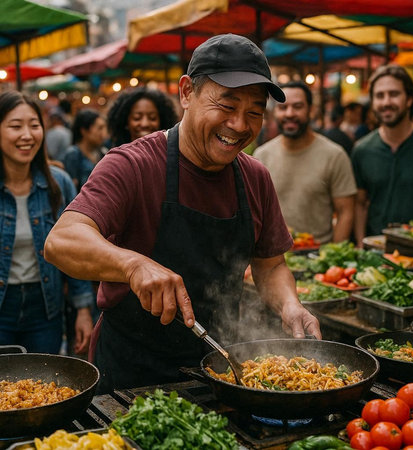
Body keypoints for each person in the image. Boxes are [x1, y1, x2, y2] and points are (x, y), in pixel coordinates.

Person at [44, 33, 321, 393]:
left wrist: (290, 305)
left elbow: (270, 265)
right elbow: (61, 240)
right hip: (130, 374)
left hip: (221, 368)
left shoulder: (255, 177)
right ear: (187, 92)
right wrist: (133, 265)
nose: (239, 125)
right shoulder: (132, 164)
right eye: (226, 105)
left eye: (254, 112)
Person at [0, 90, 94, 354]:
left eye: (34, 125)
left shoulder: (59, 183)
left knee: (46, 389)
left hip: (45, 309)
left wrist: (83, 310)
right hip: (2, 309)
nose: (27, 135)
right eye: (15, 126)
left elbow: (77, 249)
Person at [352, 64, 413, 246]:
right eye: (379, 96)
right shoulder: (362, 149)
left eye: (394, 94)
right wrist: (360, 246)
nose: (386, 102)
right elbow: (360, 204)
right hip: (378, 254)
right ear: (372, 102)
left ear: (410, 99)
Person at [253, 81, 356, 244]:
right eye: (283, 107)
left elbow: (346, 211)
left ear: (311, 110)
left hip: (318, 255)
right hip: (271, 257)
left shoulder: (334, 155)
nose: (289, 113)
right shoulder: (261, 156)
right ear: (275, 113)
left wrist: (332, 258)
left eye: (298, 106)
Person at [107, 87, 178, 148]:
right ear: (125, 122)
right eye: (137, 118)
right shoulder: (116, 158)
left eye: (152, 118)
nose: (145, 124)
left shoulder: (171, 156)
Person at [63, 109, 107, 191]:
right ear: (84, 131)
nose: (104, 133)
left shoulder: (102, 152)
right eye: (100, 128)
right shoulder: (73, 154)